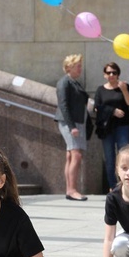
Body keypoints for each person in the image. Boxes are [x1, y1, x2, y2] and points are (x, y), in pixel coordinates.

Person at [94, 62, 129, 192]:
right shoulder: (100, 90)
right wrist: (112, 111)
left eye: (114, 72)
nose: (111, 75)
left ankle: (125, 185)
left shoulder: (124, 86)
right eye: (108, 72)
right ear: (104, 75)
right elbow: (96, 108)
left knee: (124, 156)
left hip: (122, 126)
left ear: (118, 74)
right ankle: (113, 187)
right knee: (109, 158)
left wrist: (123, 90)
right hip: (107, 128)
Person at [54, 54, 89, 202]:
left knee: (71, 155)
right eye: (78, 66)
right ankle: (72, 190)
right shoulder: (64, 82)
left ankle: (70, 190)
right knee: (76, 155)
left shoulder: (74, 82)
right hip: (70, 123)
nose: (80, 68)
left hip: (76, 122)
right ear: (69, 67)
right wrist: (72, 126)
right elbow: (63, 105)